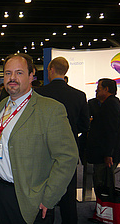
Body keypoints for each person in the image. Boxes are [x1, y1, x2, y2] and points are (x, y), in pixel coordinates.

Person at [0, 53, 79, 224]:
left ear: (32, 75)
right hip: (2, 190)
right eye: (7, 73)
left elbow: (67, 157)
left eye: (19, 73)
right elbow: (6, 136)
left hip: (31, 196)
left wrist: (49, 197)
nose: (12, 78)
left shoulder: (50, 109)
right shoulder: (3, 104)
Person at [35, 57, 90, 224]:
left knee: (44, 190)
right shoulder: (79, 95)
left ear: (50, 69)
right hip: (69, 149)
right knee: (68, 192)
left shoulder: (39, 93)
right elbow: (84, 125)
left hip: (43, 151)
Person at [86, 78, 120, 195]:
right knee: (102, 181)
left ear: (106, 89)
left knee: (102, 183)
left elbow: (110, 131)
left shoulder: (110, 105)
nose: (96, 91)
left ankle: (104, 210)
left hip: (106, 155)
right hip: (105, 153)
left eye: (99, 88)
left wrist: (108, 154)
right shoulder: (111, 103)